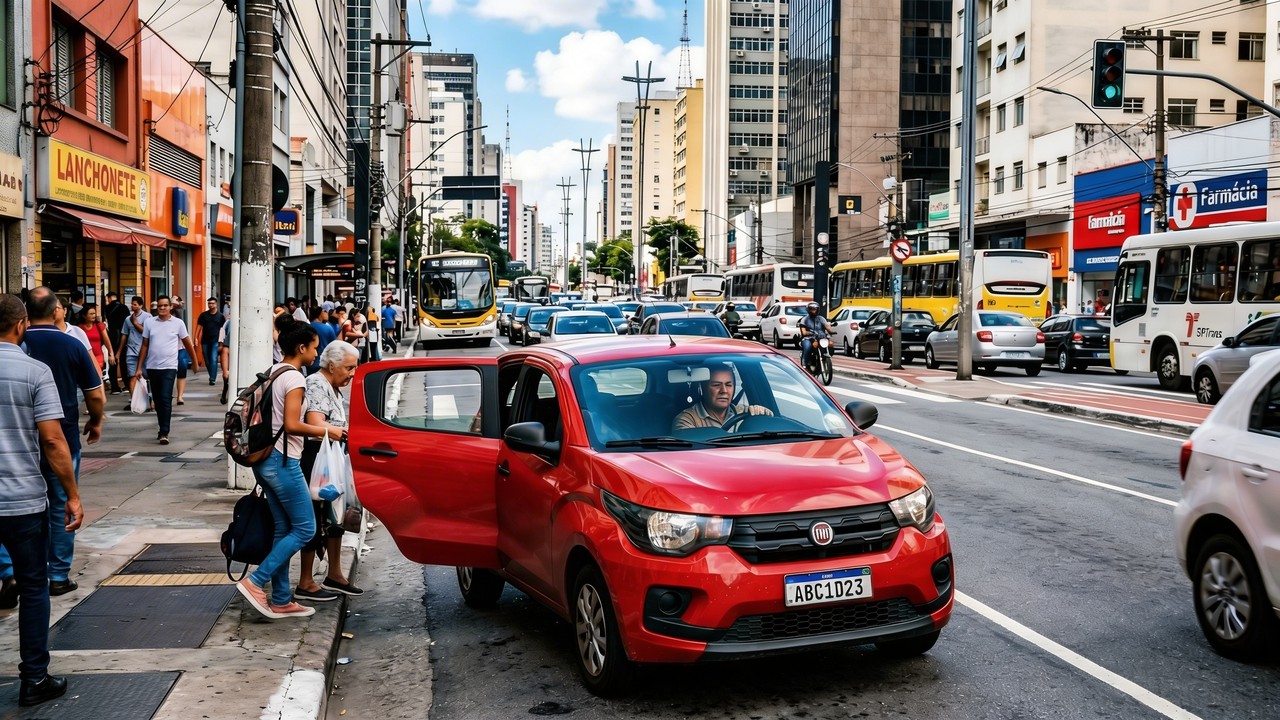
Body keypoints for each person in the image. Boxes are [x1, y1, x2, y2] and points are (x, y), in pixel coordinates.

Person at [0, 293, 83, 707]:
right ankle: (34, 679)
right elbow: (52, 439)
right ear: (21, 326)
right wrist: (71, 494)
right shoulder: (34, 371)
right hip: (22, 501)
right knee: (34, 587)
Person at [234, 319, 349, 620]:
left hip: (265, 462)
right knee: (306, 528)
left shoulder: (273, 371)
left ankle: (283, 599)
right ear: (301, 347)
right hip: (283, 463)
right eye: (313, 347)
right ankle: (256, 581)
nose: (316, 352)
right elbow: (292, 425)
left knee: (284, 529)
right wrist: (329, 432)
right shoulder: (296, 378)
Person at [15, 287, 104, 597]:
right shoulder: (71, 344)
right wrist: (95, 421)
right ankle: (58, 575)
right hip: (63, 438)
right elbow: (95, 393)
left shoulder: (16, 343)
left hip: (17, 441)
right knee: (63, 503)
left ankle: (10, 571)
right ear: (56, 311)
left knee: (12, 505)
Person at [295, 341, 364, 601]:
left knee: (335, 515)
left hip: (332, 455)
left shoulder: (333, 387)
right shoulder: (316, 383)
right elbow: (315, 422)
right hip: (317, 458)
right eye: (349, 368)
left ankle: (335, 574)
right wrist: (339, 431)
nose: (352, 373)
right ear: (332, 365)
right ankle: (305, 581)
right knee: (315, 516)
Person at [134, 295, 197, 445]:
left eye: (165, 306)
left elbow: (188, 343)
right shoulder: (150, 323)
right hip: (152, 366)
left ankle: (164, 432)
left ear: (170, 307)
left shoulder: (178, 323)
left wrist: (194, 362)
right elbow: (144, 345)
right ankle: (161, 427)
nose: (162, 308)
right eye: (159, 306)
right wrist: (139, 368)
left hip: (169, 366)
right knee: (157, 399)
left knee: (165, 398)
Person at [671, 364, 772, 431]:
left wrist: (762, 414)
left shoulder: (745, 413)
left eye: (728, 385)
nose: (724, 390)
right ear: (702, 389)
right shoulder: (687, 419)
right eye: (716, 385)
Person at [116, 296, 148, 402]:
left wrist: (136, 324)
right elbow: (124, 335)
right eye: (132, 304)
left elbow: (148, 333)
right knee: (132, 376)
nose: (133, 306)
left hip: (145, 351)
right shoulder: (127, 319)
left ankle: (147, 399)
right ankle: (134, 400)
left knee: (146, 376)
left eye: (135, 304)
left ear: (141, 305)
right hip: (131, 351)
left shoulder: (148, 317)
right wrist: (119, 352)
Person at [75, 303, 113, 383]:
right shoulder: (79, 328)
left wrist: (111, 353)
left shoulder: (99, 325)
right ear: (84, 316)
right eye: (91, 314)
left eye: (94, 313)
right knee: (88, 379)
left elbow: (107, 341)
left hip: (98, 356)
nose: (93, 315)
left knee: (97, 377)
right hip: (85, 357)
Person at [193, 297, 226, 386]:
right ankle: (211, 375)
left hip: (215, 341)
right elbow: (199, 327)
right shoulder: (203, 315)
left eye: (212, 303)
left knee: (213, 359)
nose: (210, 305)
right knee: (207, 360)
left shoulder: (220, 316)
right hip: (205, 341)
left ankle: (212, 379)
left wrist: (221, 342)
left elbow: (223, 330)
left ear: (216, 304)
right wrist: (195, 338)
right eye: (209, 303)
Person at [103, 292, 129, 395]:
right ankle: (127, 385)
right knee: (124, 362)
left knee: (112, 361)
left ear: (109, 298)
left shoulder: (107, 308)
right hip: (124, 336)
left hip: (112, 337)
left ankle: (115, 387)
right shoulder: (124, 307)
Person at [798, 301, 834, 369]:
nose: (813, 311)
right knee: (807, 347)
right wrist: (808, 333)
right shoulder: (805, 319)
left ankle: (825, 358)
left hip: (821, 338)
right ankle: (804, 364)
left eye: (815, 309)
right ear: (808, 309)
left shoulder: (821, 318)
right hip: (808, 338)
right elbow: (803, 332)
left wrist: (830, 330)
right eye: (811, 309)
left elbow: (827, 326)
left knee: (830, 344)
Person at [308, 306, 337, 375]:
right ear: (320, 315)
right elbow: (334, 346)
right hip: (324, 363)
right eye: (323, 312)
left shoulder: (306, 327)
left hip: (308, 363)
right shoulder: (328, 328)